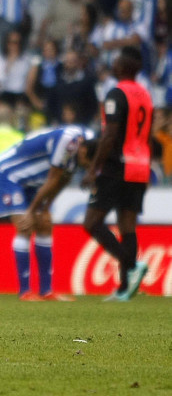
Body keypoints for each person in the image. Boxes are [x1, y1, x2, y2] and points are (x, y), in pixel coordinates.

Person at [0, 125, 96, 301]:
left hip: (34, 180)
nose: (85, 167)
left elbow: (65, 178)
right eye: (86, 164)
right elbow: (54, 178)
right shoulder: (68, 142)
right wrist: (31, 211)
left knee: (45, 224)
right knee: (25, 226)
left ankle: (46, 290)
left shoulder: (90, 140)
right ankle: (25, 291)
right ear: (83, 150)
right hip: (9, 174)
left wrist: (47, 207)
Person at [81, 46, 152, 301]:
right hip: (140, 166)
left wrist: (93, 168)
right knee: (127, 225)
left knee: (91, 223)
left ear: (122, 65)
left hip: (116, 166)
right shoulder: (145, 95)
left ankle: (131, 267)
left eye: (117, 58)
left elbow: (110, 134)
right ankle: (125, 288)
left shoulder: (116, 93)